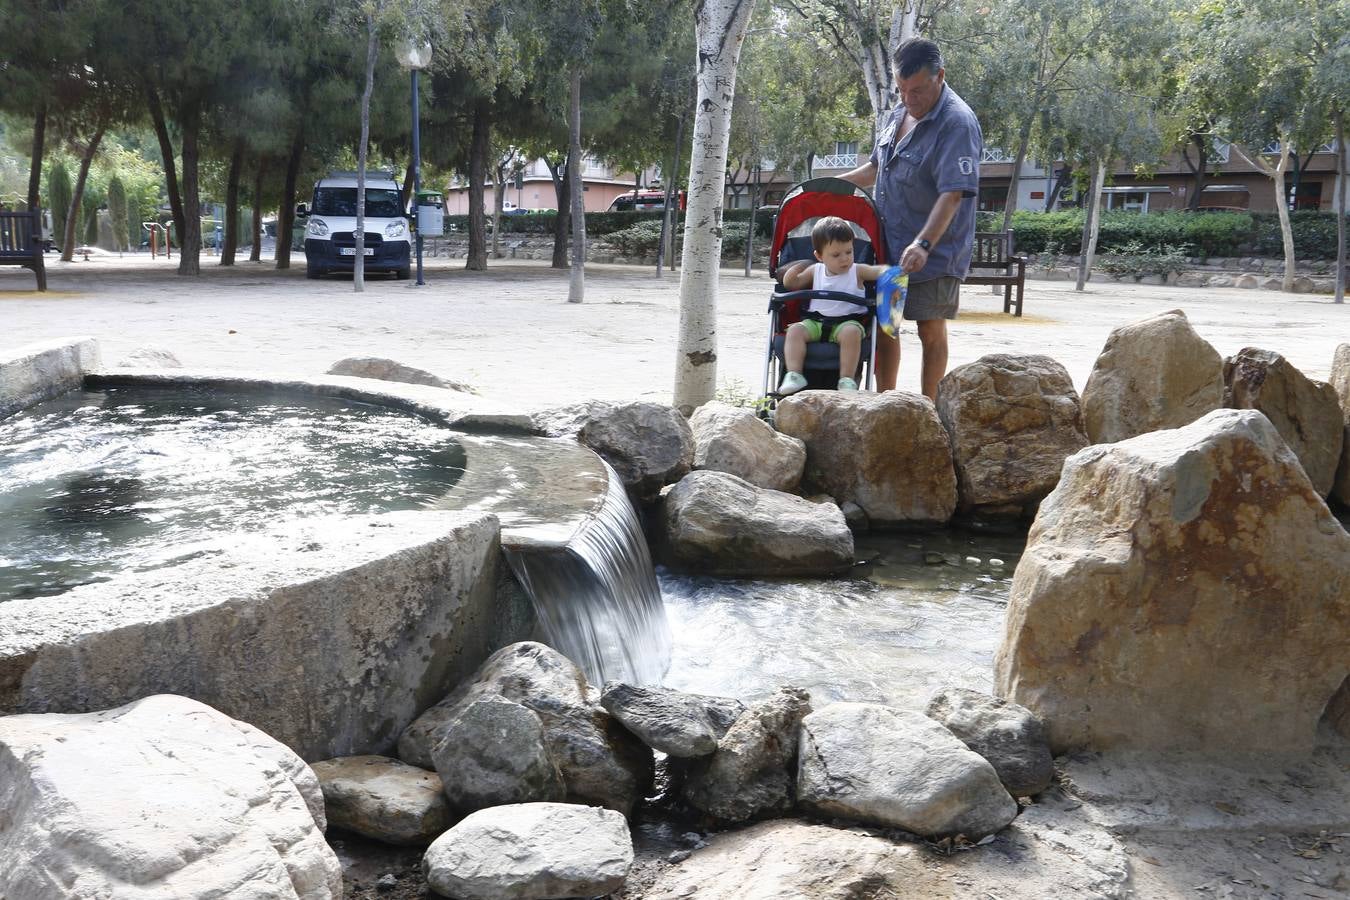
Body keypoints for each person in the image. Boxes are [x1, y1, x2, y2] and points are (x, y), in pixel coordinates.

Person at [841, 37, 983, 401]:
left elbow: (952, 193)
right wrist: (827, 187)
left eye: (917, 89)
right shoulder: (898, 113)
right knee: (886, 328)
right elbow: (875, 168)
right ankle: (886, 405)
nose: (908, 98)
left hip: (934, 252)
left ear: (940, 77)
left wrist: (923, 243)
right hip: (889, 247)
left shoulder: (957, 123)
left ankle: (929, 412)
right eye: (902, 89)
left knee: (929, 330)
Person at [776, 216, 891, 395]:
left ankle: (846, 379)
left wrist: (894, 271)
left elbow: (878, 272)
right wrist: (794, 270)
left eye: (849, 252)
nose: (845, 259)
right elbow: (793, 284)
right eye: (836, 255)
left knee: (852, 333)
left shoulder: (858, 270)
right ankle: (794, 374)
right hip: (816, 322)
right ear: (819, 256)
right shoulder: (815, 270)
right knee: (794, 331)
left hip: (847, 323)